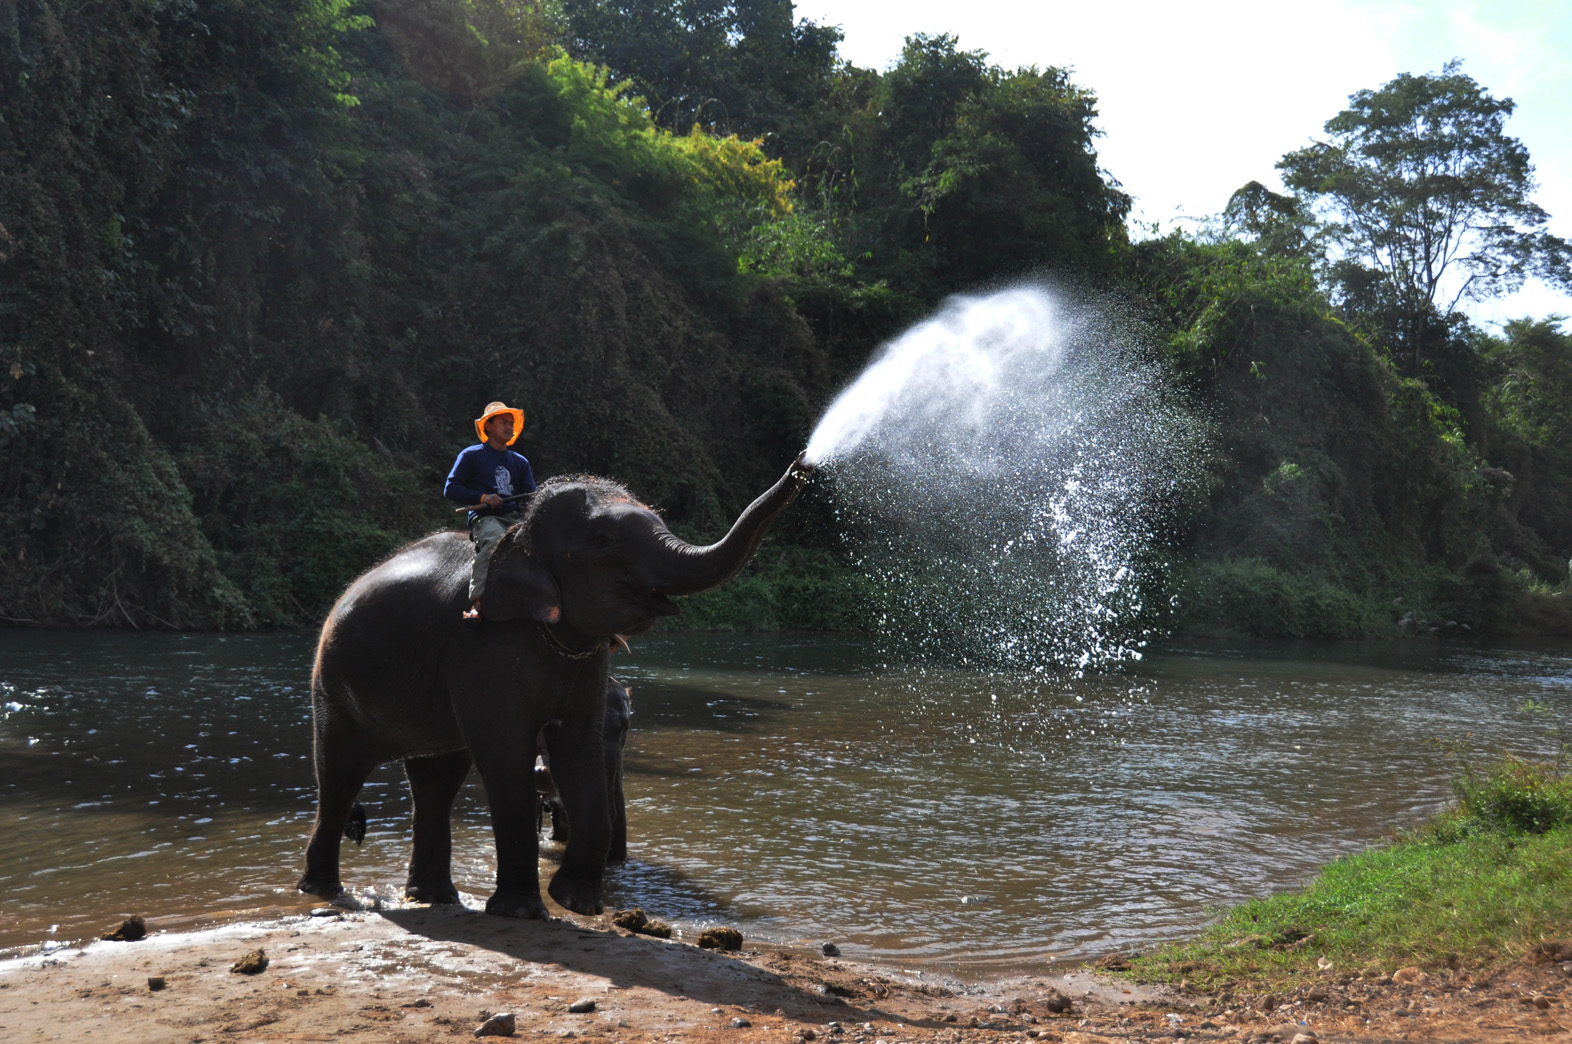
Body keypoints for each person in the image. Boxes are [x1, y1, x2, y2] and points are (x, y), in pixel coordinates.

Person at [444, 400, 537, 620]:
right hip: (487, 517)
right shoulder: (471, 455)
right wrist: (483, 497)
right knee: (496, 540)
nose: (509, 427)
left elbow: (530, 497)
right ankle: (478, 603)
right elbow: (451, 489)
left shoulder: (520, 462)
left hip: (515, 517)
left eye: (511, 424)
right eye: (504, 422)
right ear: (488, 426)